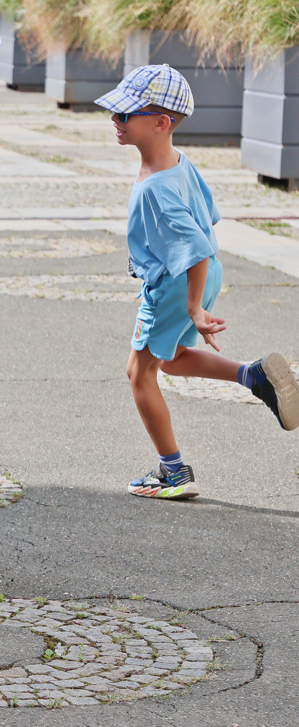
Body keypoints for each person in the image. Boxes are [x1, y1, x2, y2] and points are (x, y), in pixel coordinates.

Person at [92, 65, 299, 500]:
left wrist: (191, 307)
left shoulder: (155, 188)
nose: (115, 120)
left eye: (125, 115)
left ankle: (173, 472)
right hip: (197, 276)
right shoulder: (179, 164)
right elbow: (208, 220)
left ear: (161, 122)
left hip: (175, 282)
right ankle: (253, 375)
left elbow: (194, 246)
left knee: (138, 373)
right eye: (115, 112)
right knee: (172, 358)